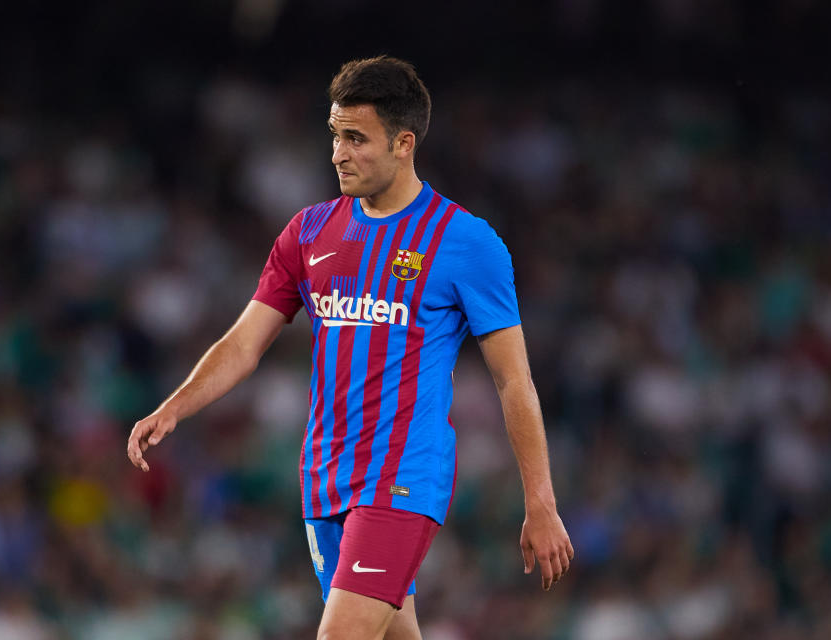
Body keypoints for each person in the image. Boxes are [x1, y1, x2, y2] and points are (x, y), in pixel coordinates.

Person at [127, 56, 573, 640]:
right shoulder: (309, 232)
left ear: (404, 143)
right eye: (335, 135)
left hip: (403, 478)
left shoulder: (465, 243)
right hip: (324, 478)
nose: (338, 152)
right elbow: (244, 343)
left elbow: (514, 381)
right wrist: (174, 407)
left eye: (356, 138)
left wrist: (539, 500)